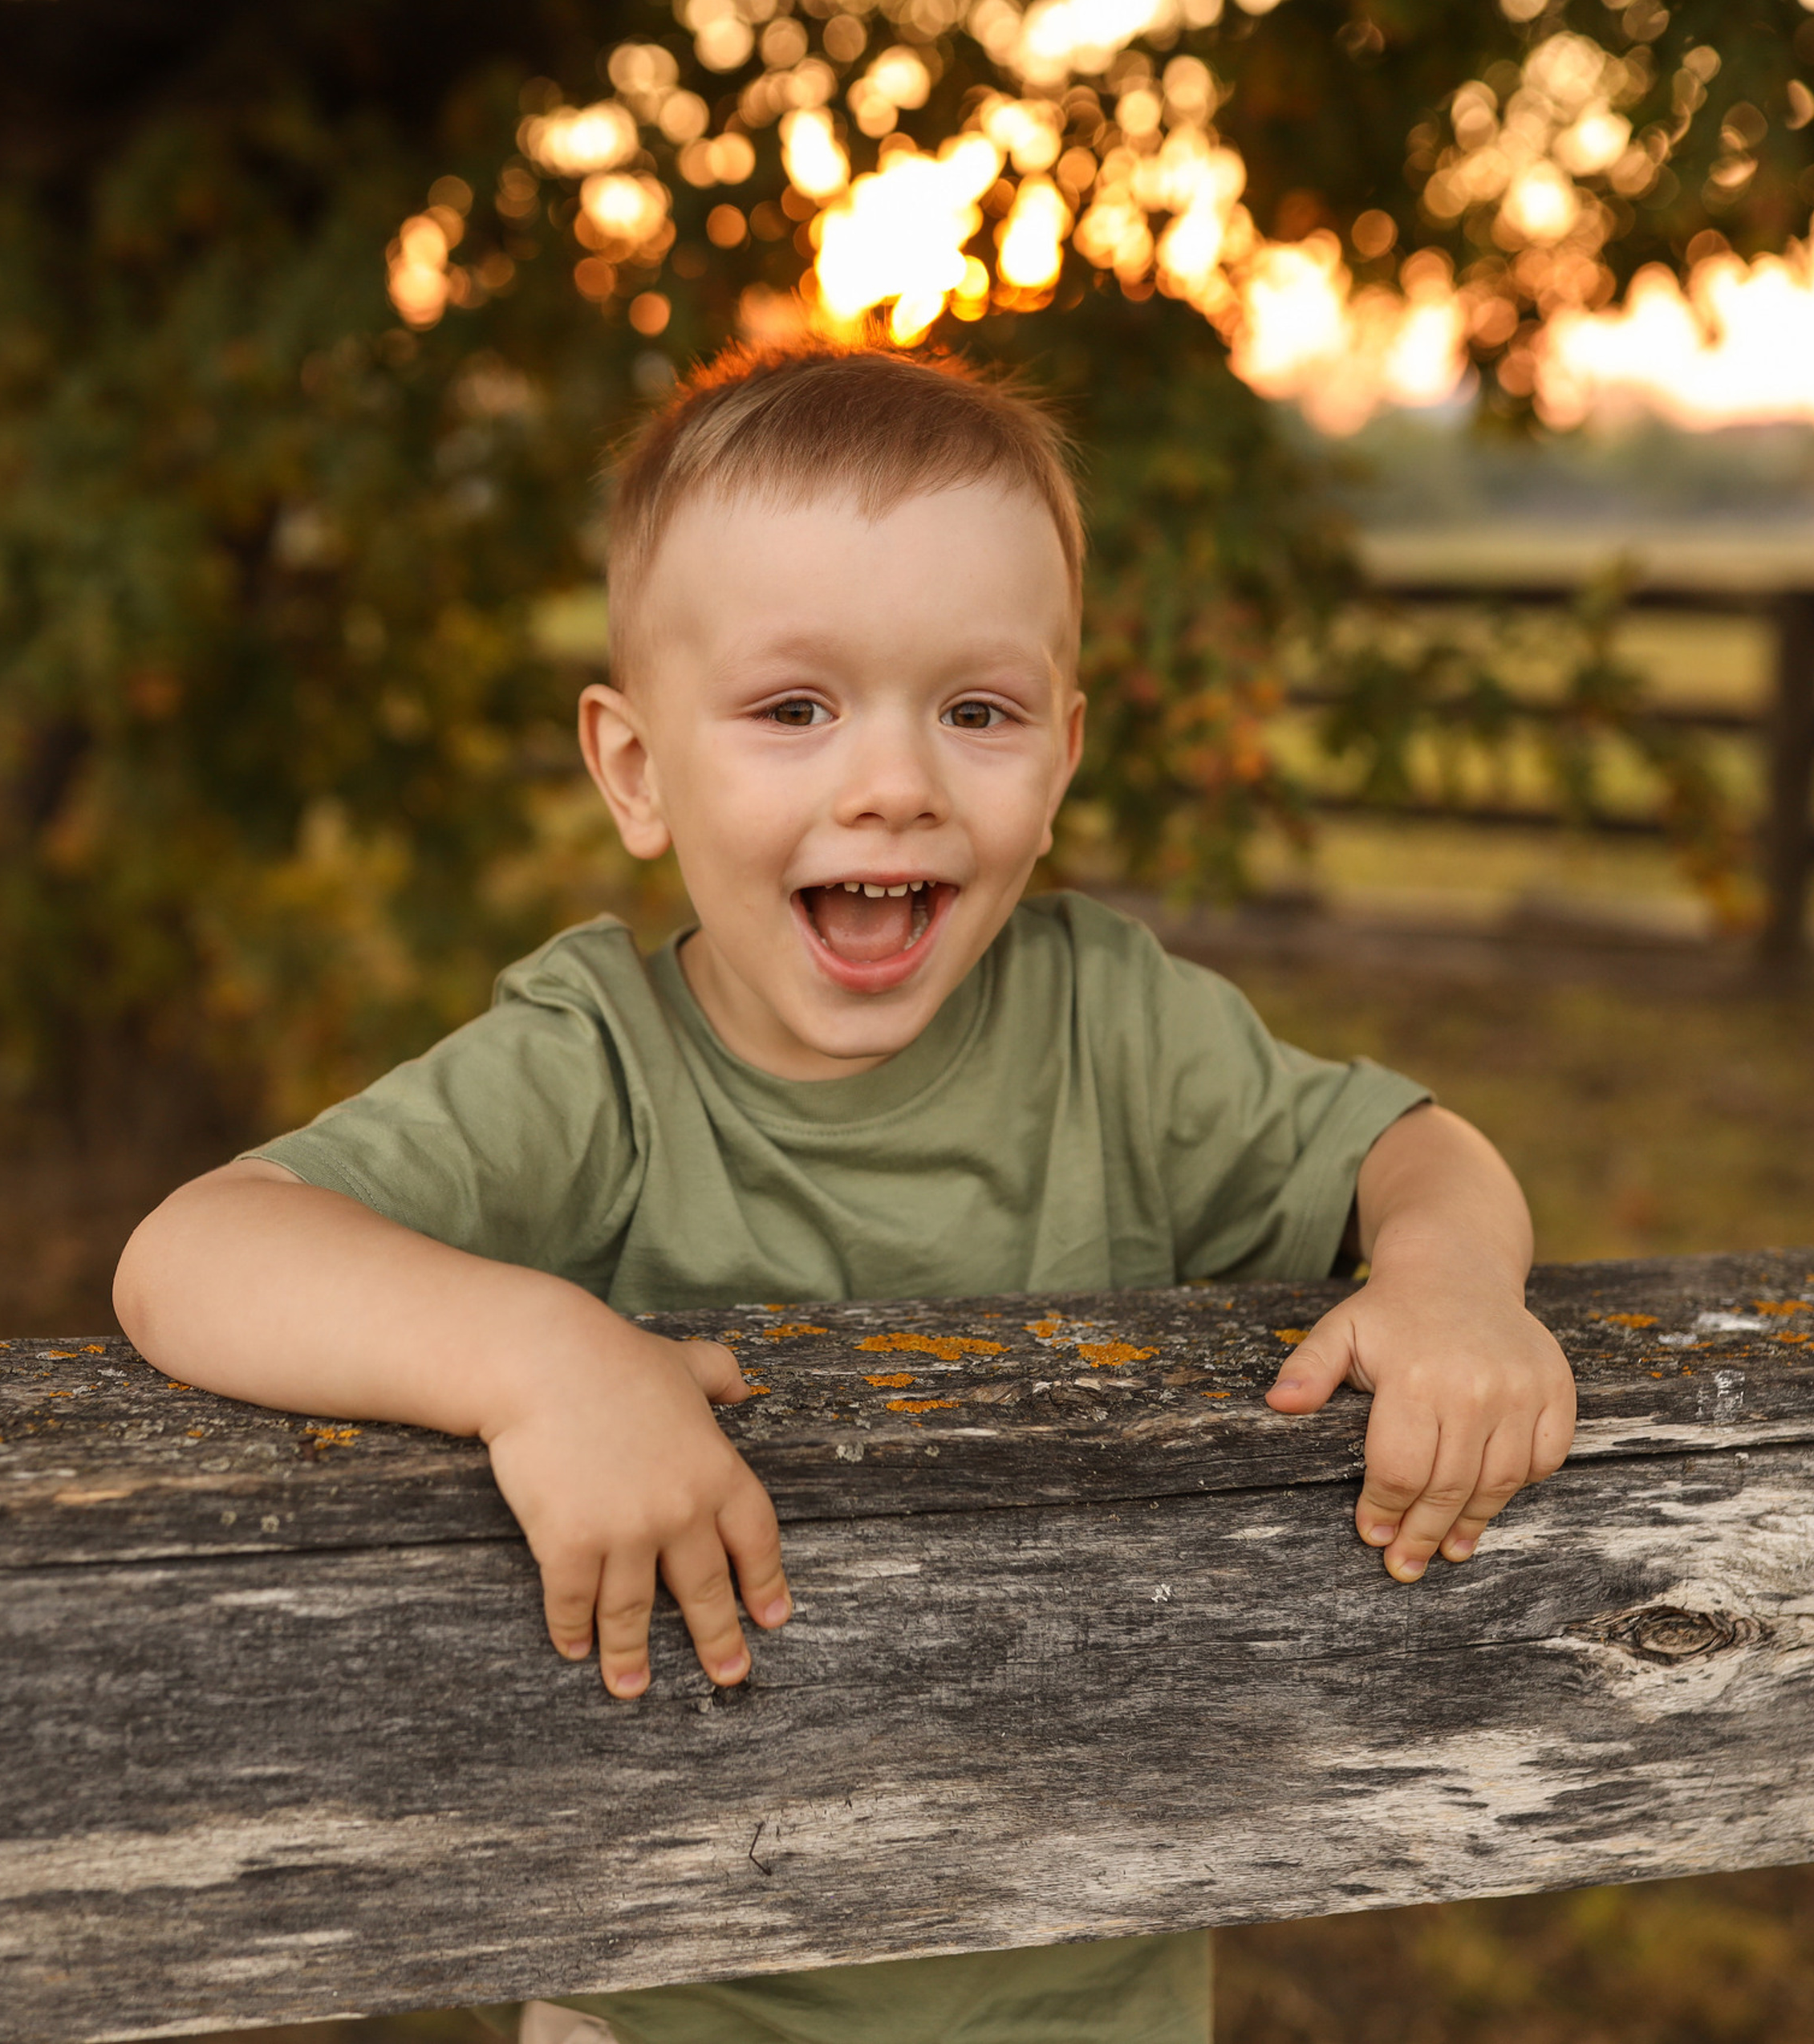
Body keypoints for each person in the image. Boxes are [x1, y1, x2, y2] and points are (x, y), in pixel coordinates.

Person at [114, 343, 1576, 2044]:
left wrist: (1455, 1281)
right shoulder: (597, 1064)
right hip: (673, 1988)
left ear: (1061, 754)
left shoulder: (1114, 1024)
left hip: (1082, 1979)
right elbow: (191, 1252)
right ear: (635, 766)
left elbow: (1418, 1148)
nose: (891, 782)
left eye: (975, 710)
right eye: (792, 707)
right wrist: (540, 1355)